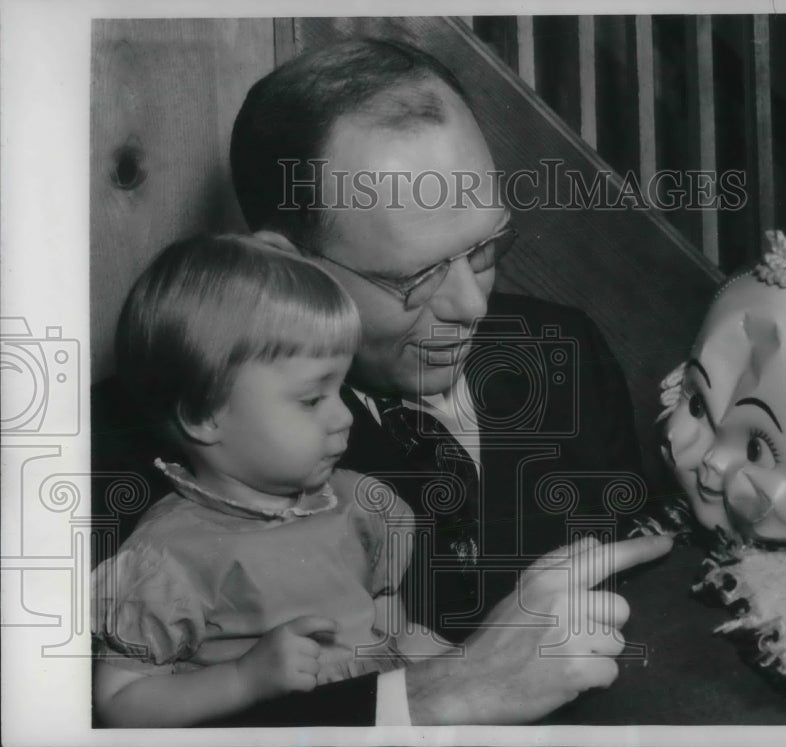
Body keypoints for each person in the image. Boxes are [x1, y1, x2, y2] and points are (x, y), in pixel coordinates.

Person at [219, 38, 672, 725]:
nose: (474, 305)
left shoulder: (564, 349)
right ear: (289, 268)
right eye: (420, 275)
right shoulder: (193, 437)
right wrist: (450, 691)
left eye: (486, 247)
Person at [91, 233, 453, 727]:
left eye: (341, 389)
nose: (344, 417)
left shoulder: (353, 502)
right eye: (311, 399)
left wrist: (441, 659)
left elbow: (385, 620)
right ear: (204, 414)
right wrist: (243, 678)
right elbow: (119, 705)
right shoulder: (169, 559)